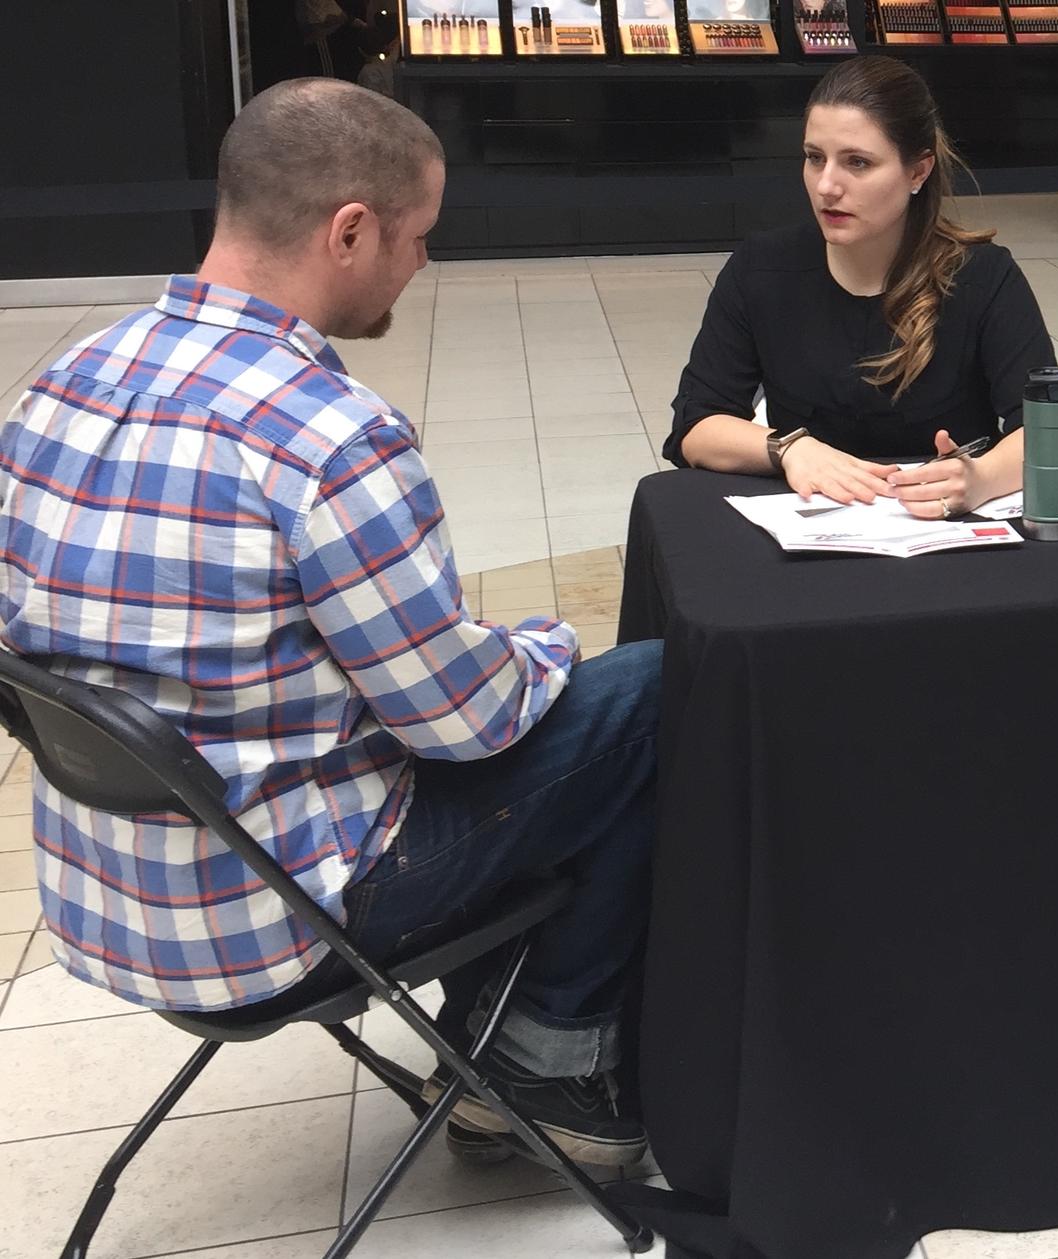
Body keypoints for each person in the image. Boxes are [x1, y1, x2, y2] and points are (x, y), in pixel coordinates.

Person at [0, 79, 660, 1170]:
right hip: (277, 924)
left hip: (104, 900)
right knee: (642, 694)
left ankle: (510, 1051)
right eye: (416, 238)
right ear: (349, 228)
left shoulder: (63, 382)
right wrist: (544, 648)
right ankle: (548, 1060)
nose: (421, 266)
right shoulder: (328, 436)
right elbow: (466, 721)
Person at [665, 56, 1055, 521]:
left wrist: (981, 478)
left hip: (943, 531)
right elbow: (696, 425)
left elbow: (1047, 428)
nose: (827, 186)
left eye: (858, 163)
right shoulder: (763, 269)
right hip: (808, 528)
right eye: (814, 158)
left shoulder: (982, 277)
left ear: (918, 171)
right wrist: (788, 449)